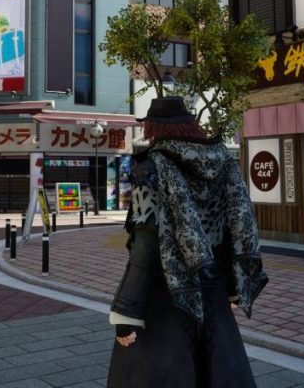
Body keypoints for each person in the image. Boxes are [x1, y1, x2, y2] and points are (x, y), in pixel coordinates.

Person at [107, 96, 267, 388]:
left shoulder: (151, 167)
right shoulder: (222, 163)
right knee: (219, 373)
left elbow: (146, 242)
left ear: (153, 127)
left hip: (168, 293)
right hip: (212, 289)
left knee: (159, 374)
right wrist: (234, 287)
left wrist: (127, 311)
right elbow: (236, 225)